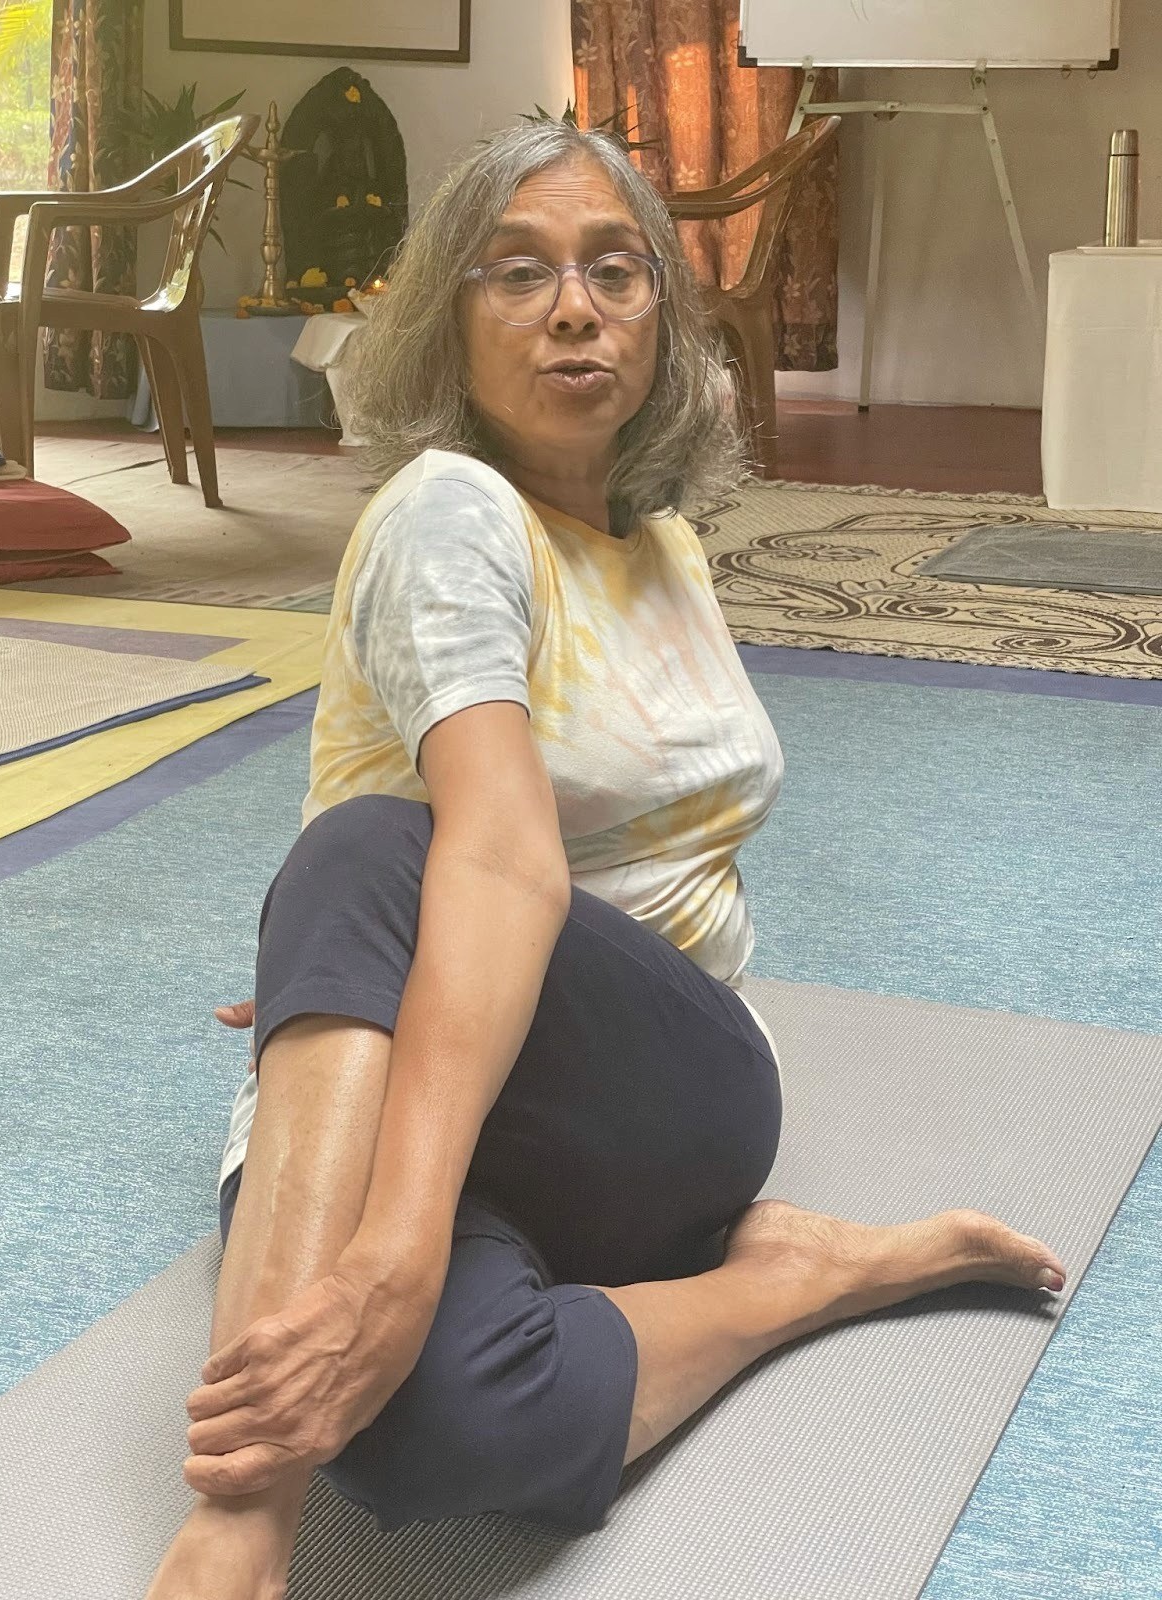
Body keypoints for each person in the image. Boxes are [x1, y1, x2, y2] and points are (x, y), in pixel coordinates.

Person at [146, 118, 1066, 1600]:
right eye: (518, 272)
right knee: (425, 1427)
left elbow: (511, 868)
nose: (574, 308)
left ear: (659, 317)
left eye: (615, 271)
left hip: (655, 1102)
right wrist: (343, 992)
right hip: (456, 1076)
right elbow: (487, 860)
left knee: (371, 859)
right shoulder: (451, 510)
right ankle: (784, 1279)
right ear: (447, 320)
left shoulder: (663, 543)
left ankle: (238, 1522)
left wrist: (393, 1250)